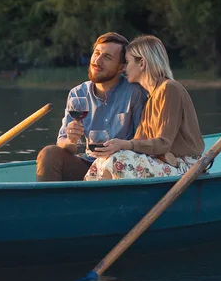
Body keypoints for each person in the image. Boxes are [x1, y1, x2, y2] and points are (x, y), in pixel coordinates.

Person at [84, 35, 204, 180]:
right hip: (164, 161)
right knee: (104, 159)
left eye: (127, 62)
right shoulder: (149, 96)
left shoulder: (169, 89)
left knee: (118, 160)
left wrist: (124, 144)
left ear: (142, 63)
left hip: (186, 167)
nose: (124, 68)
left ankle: (106, 200)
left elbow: (163, 143)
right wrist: (115, 147)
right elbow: (139, 141)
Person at [36, 32, 148, 181]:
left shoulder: (135, 92)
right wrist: (71, 139)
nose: (97, 61)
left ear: (121, 67)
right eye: (96, 53)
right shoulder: (78, 93)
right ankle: (50, 203)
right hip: (89, 163)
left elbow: (144, 139)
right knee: (50, 153)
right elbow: (64, 143)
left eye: (107, 57)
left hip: (122, 168)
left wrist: (121, 147)